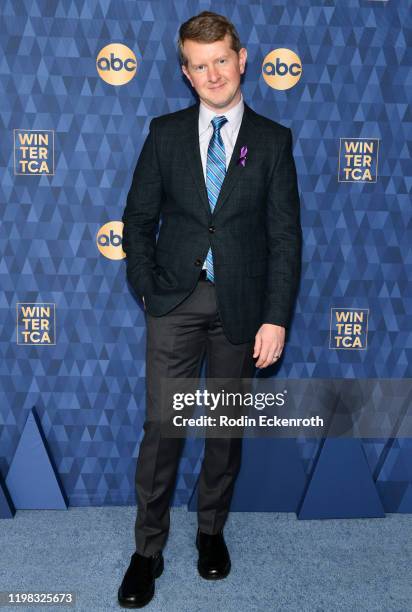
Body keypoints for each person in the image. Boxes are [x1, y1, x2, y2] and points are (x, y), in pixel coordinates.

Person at [118, 10, 302, 609]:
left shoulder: (273, 141)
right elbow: (140, 220)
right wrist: (148, 287)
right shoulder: (164, 133)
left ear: (242, 59)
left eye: (221, 59)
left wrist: (275, 317)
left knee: (223, 432)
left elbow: (285, 238)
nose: (213, 73)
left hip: (242, 309)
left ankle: (210, 533)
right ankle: (147, 550)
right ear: (186, 73)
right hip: (174, 301)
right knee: (162, 430)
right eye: (199, 65)